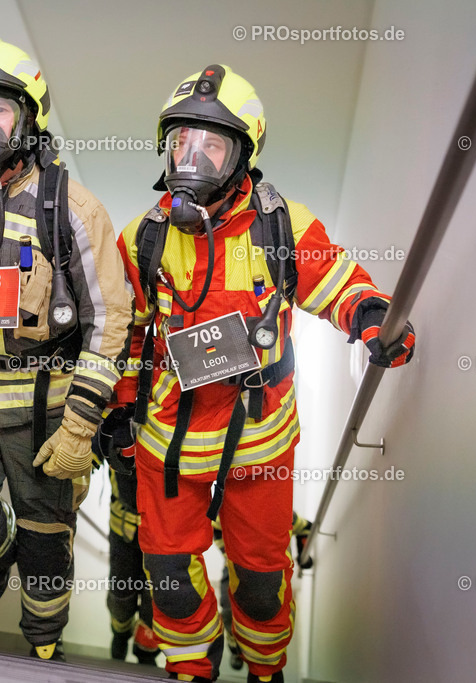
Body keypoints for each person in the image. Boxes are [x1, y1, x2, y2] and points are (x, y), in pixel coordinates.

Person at [104, 64, 416, 682]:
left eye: (210, 146)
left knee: (261, 583)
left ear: (241, 156)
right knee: (166, 577)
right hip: (165, 441)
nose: (191, 158)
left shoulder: (281, 226)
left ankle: (266, 670)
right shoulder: (143, 237)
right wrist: (118, 405)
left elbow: (338, 281)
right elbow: (128, 334)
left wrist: (374, 317)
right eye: (180, 142)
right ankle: (193, 665)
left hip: (258, 443)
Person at [0, 34, 133, 661]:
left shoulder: (73, 207)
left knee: (47, 538)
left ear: (28, 119)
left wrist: (82, 424)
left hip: (48, 393)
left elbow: (109, 319)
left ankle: (42, 644)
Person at [213, 512, 315, 672]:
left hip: (271, 571)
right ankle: (236, 650)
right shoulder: (230, 508)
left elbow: (307, 527)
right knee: (228, 613)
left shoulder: (283, 512)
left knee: (270, 616)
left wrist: (303, 554)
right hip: (234, 568)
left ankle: (265, 662)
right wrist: (227, 552)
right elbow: (215, 526)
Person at [106, 467, 159, 665]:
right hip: (122, 526)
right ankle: (120, 633)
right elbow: (88, 450)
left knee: (155, 599)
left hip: (160, 531)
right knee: (121, 593)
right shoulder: (111, 433)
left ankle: (146, 653)